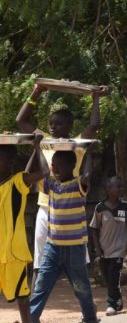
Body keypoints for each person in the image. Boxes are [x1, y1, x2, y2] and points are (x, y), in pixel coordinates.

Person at [16, 83, 107, 282]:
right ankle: (36, 299)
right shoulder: (45, 140)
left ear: (69, 126)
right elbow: (20, 120)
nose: (52, 127)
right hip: (46, 206)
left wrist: (96, 98)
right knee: (40, 256)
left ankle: (85, 300)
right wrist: (36, 92)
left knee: (77, 258)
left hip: (71, 207)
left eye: (57, 124)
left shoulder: (77, 144)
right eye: (50, 123)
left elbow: (94, 126)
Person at [29, 142, 98, 323]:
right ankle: (30, 318)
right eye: (53, 165)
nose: (55, 168)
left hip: (75, 249)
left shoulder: (78, 186)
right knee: (41, 286)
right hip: (53, 248)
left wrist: (89, 153)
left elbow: (88, 174)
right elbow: (44, 171)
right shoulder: (51, 185)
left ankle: (90, 318)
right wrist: (37, 148)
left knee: (81, 288)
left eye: (59, 166)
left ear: (72, 167)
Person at [0, 133, 45, 323]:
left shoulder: (18, 181)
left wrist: (37, 148)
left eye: (11, 158)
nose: (10, 161)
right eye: (6, 157)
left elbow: (44, 173)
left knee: (22, 298)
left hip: (13, 253)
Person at [89, 176, 127, 316]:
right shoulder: (100, 207)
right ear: (108, 189)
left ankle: (111, 303)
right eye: (118, 187)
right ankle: (118, 298)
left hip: (119, 249)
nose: (121, 189)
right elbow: (94, 229)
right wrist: (97, 247)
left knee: (113, 275)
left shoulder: (125, 206)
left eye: (122, 186)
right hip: (104, 249)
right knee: (107, 277)